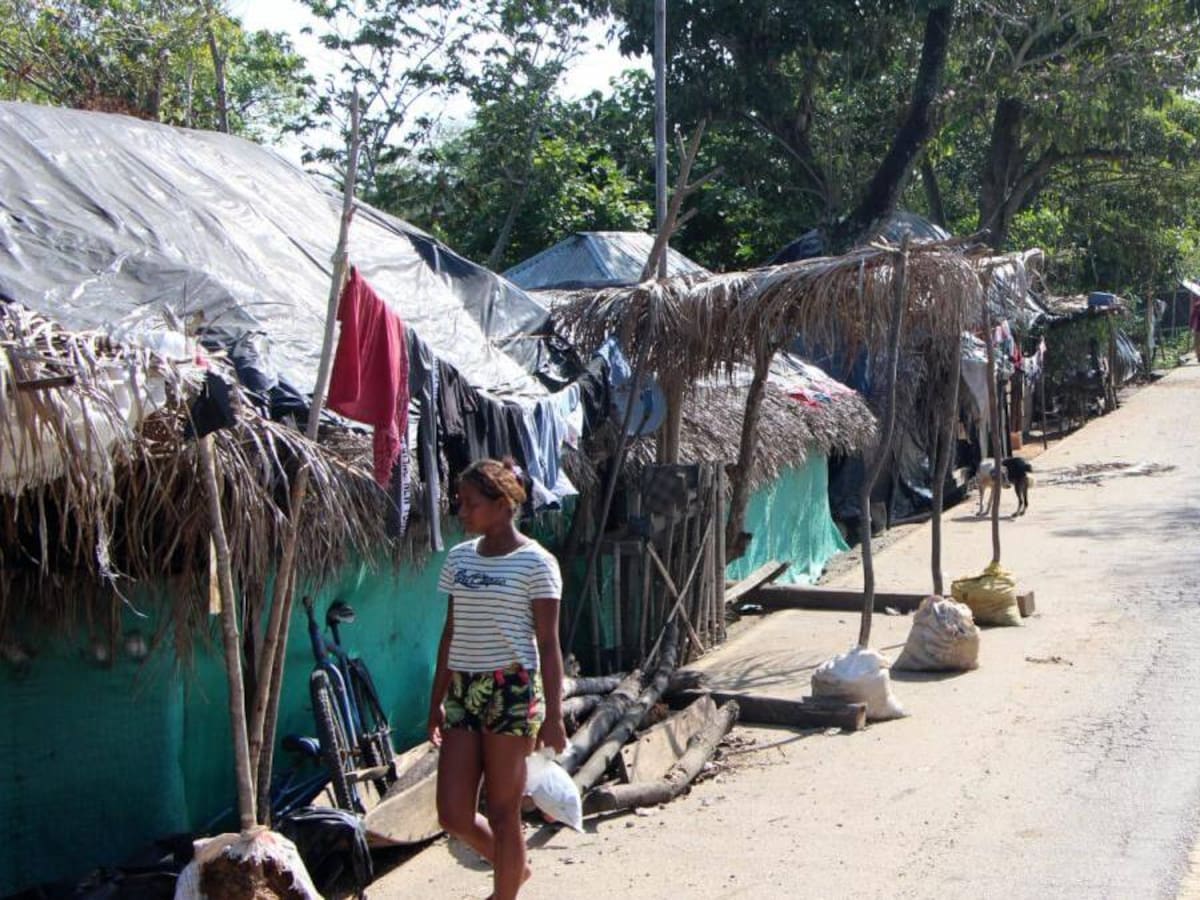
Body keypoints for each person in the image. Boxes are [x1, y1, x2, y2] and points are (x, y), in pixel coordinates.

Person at [428, 458, 567, 900]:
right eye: (460, 503)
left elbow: (547, 643)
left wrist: (555, 718)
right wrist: (436, 700)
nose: (462, 512)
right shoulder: (458, 560)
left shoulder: (537, 563)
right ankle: (514, 867)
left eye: (470, 504)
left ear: (503, 504)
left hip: (512, 689)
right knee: (452, 813)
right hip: (464, 690)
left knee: (505, 810)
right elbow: (450, 631)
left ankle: (504, 890)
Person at [1191, 293, 1200, 362]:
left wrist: (1191, 325)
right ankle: (1199, 356)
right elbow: (1193, 316)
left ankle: (1199, 356)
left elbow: (1193, 316)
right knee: (1196, 342)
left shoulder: (1196, 305)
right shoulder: (1197, 305)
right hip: (1197, 327)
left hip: (1197, 327)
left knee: (1197, 342)